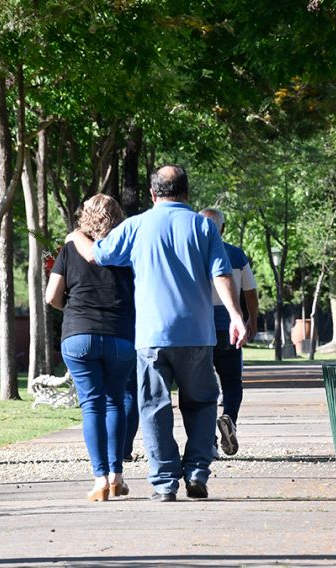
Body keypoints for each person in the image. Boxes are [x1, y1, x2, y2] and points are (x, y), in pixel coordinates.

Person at [67, 165, 247, 502]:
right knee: (202, 403)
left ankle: (164, 483)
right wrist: (236, 316)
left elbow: (96, 254)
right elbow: (222, 274)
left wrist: (76, 234)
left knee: (153, 407)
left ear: (152, 194)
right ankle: (196, 473)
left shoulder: (136, 226)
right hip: (197, 334)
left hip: (151, 335)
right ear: (186, 193)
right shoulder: (203, 227)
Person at [45, 195, 136, 502]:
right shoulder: (128, 248)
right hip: (121, 335)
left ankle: (99, 479)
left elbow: (51, 296)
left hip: (78, 335)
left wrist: (72, 310)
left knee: (92, 404)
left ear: (84, 216)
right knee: (115, 402)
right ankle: (116, 476)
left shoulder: (71, 247)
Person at [199, 207, 259, 456]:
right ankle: (229, 418)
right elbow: (250, 292)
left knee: (202, 387)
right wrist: (251, 320)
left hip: (198, 329)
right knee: (232, 381)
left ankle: (208, 442)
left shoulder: (191, 255)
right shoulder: (235, 254)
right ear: (223, 228)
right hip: (229, 327)